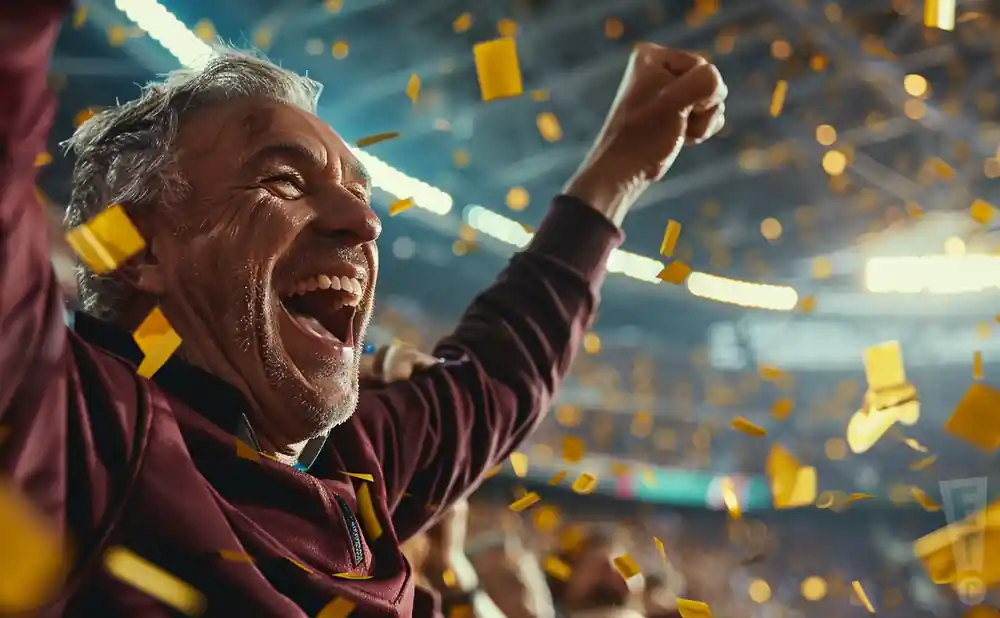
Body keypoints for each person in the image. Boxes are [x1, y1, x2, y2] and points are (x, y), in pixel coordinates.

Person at [0, 1, 728, 615]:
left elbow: (501, 371)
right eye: (285, 180)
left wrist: (617, 172)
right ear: (136, 251)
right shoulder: (78, 429)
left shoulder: (358, 469)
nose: (364, 222)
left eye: (360, 192)